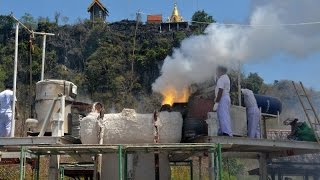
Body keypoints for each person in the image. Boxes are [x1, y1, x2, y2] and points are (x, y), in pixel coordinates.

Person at [213, 66, 232, 136]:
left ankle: (226, 132)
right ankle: (223, 131)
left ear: (220, 71)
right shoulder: (226, 77)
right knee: (222, 115)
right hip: (225, 98)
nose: (216, 72)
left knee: (223, 115)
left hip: (222, 98)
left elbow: (220, 91)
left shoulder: (221, 79)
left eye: (217, 71)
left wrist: (217, 103)